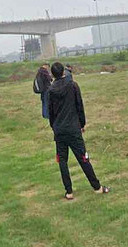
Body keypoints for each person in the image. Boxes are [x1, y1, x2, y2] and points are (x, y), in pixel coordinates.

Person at [46, 62, 109, 199]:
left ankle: (69, 192)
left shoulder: (51, 90)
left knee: (62, 161)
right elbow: (79, 106)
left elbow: (50, 112)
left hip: (59, 130)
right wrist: (82, 124)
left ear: (52, 74)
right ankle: (97, 187)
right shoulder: (73, 85)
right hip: (73, 129)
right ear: (63, 71)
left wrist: (54, 127)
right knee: (83, 158)